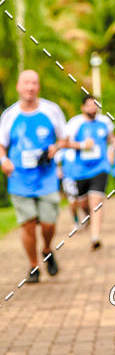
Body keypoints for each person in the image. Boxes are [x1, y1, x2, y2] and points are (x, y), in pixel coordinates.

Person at [0, 70, 67, 282]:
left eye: (34, 83)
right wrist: (4, 161)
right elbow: (2, 145)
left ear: (38, 86)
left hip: (46, 177)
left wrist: (56, 148)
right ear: (19, 86)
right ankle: (33, 266)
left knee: (48, 223)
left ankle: (47, 249)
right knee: (27, 223)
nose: (30, 87)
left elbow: (64, 139)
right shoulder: (9, 115)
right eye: (26, 83)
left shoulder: (51, 110)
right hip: (20, 179)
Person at [65, 94, 114, 250]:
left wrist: (110, 155)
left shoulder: (105, 122)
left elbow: (111, 140)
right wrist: (81, 145)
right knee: (83, 202)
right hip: (80, 170)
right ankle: (88, 217)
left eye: (95, 105)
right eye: (89, 105)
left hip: (100, 167)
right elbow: (64, 143)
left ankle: (95, 237)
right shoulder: (75, 124)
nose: (93, 108)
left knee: (96, 201)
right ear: (83, 107)